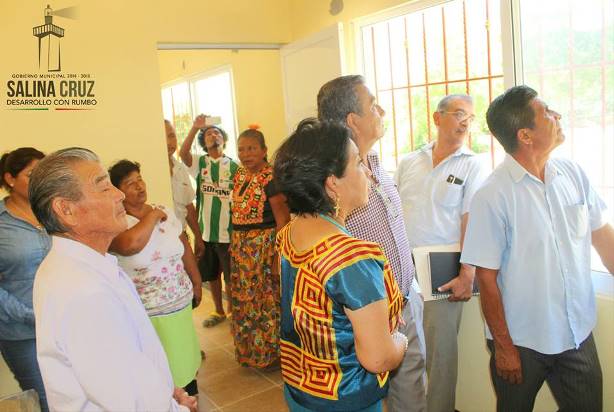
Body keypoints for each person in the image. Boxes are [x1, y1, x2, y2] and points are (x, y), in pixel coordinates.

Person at [461, 85, 614, 412]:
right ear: (525, 136)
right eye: (547, 112)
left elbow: (602, 236)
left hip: (576, 334)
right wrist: (504, 348)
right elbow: (486, 280)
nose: (557, 116)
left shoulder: (573, 173)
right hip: (521, 342)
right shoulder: (493, 195)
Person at [30, 147, 197, 411]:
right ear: (66, 210)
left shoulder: (87, 266)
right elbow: (131, 403)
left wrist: (166, 391)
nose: (120, 195)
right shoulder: (84, 292)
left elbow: (127, 367)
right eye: (104, 187)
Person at [274, 118, 407, 411]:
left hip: (301, 390)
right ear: (333, 182)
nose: (368, 173)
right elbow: (378, 359)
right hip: (345, 399)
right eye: (358, 163)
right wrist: (399, 339)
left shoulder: (289, 233)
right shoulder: (352, 258)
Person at [317, 75, 427, 412]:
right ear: (353, 120)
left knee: (412, 395)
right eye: (373, 105)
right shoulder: (332, 183)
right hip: (367, 317)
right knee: (372, 401)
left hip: (406, 300)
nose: (381, 110)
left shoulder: (376, 163)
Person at [395, 94, 488, 412]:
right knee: (404, 348)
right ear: (437, 118)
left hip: (444, 269)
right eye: (459, 114)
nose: (465, 122)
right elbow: (393, 212)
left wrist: (468, 274)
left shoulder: (472, 164)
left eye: (471, 117)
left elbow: (470, 220)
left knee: (441, 354)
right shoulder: (409, 161)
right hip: (402, 266)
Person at [108, 160, 202, 396]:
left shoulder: (165, 212)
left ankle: (189, 399)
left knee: (185, 362)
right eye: (130, 183)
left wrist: (196, 280)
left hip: (179, 303)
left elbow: (184, 246)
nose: (139, 186)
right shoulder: (117, 223)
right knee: (162, 369)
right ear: (118, 191)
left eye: (140, 179)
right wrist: (151, 216)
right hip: (148, 312)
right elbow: (129, 246)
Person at [230, 126, 290, 368]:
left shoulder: (271, 178)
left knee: (266, 301)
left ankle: (273, 355)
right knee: (245, 302)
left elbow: (283, 220)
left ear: (264, 150)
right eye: (242, 149)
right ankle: (251, 353)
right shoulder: (239, 175)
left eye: (252, 148)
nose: (246, 154)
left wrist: (277, 255)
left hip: (264, 249)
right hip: (241, 249)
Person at [0, 147, 49, 412]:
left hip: (64, 322)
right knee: (46, 399)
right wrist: (31, 315)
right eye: (32, 174)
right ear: (10, 179)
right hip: (22, 332)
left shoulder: (54, 210)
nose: (40, 180)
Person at [180, 115, 239, 326]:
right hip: (206, 232)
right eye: (208, 133)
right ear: (203, 142)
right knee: (212, 275)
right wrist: (196, 128)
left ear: (223, 139)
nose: (213, 135)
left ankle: (233, 311)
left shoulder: (234, 166)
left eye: (217, 132)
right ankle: (219, 310)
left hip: (227, 232)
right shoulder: (200, 163)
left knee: (230, 276)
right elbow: (183, 153)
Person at [164, 119, 200, 236]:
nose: (169, 142)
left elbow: (189, 207)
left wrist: (198, 237)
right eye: (163, 136)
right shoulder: (152, 170)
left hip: (182, 235)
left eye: (171, 136)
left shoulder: (180, 169)